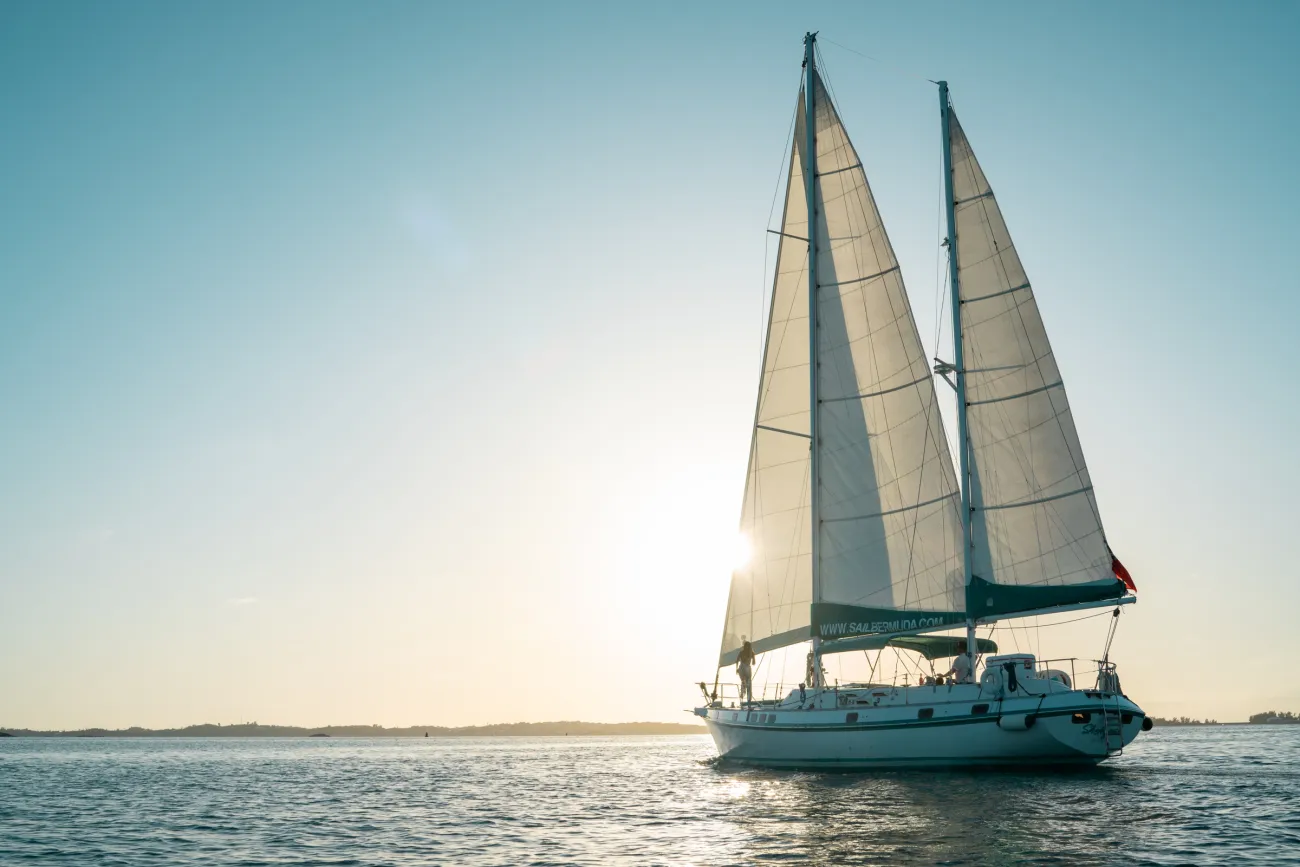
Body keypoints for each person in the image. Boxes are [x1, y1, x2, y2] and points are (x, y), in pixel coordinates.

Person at [737, 640, 756, 705]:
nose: (747, 647)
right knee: (745, 681)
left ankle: (745, 694)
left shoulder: (749, 652)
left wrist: (753, 660)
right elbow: (737, 660)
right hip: (745, 667)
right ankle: (744, 693)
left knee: (746, 681)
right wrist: (736, 668)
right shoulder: (744, 652)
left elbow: (753, 660)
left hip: (745, 667)